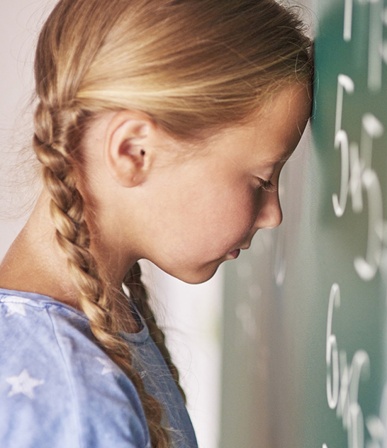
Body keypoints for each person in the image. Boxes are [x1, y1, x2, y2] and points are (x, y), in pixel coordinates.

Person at [0, 0, 313, 446]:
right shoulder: (73, 402)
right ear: (134, 152)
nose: (273, 214)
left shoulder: (74, 341)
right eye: (262, 180)